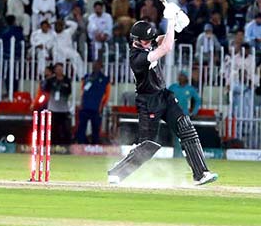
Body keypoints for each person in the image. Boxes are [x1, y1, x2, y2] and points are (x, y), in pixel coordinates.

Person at [108, 15, 217, 185]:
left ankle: (201, 173)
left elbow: (163, 39)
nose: (150, 42)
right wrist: (171, 22)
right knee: (148, 145)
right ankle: (117, 172)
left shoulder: (147, 43)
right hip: (148, 101)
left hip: (164, 95)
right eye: (146, 41)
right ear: (136, 41)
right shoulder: (137, 58)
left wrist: (177, 25)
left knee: (186, 128)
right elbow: (166, 47)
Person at [76, 60, 110, 144]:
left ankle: (95, 145)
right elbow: (82, 91)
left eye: (97, 65)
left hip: (96, 108)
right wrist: (81, 103)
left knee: (95, 128)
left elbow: (107, 94)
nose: (95, 67)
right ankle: (81, 144)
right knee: (81, 127)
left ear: (101, 67)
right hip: (85, 107)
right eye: (94, 65)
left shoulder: (105, 79)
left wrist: (102, 105)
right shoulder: (87, 77)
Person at [44, 62, 71, 145]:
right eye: (58, 69)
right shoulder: (51, 80)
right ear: (55, 70)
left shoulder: (67, 80)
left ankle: (65, 145)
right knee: (52, 128)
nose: (59, 70)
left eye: (61, 69)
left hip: (63, 109)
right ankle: (51, 144)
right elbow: (45, 91)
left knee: (65, 128)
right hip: (53, 108)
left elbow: (69, 92)